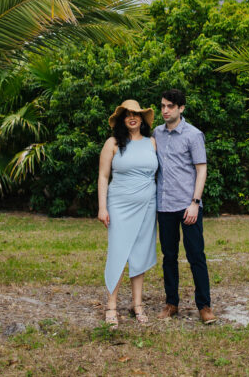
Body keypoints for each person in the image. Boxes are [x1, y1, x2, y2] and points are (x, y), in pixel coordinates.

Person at [154, 88, 215, 324]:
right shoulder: (157, 134)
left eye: (170, 106)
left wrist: (195, 203)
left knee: (196, 255)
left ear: (181, 108)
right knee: (169, 256)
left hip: (188, 206)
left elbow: (201, 169)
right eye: (162, 106)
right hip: (164, 204)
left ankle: (204, 306)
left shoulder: (193, 134)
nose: (165, 110)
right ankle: (172, 303)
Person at [98, 99, 158, 327]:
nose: (132, 117)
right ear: (122, 120)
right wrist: (102, 207)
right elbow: (103, 177)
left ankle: (137, 304)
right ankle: (111, 305)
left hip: (147, 204)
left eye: (136, 114)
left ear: (142, 118)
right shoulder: (112, 143)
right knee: (118, 252)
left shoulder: (152, 142)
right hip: (119, 204)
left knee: (141, 252)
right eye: (127, 114)